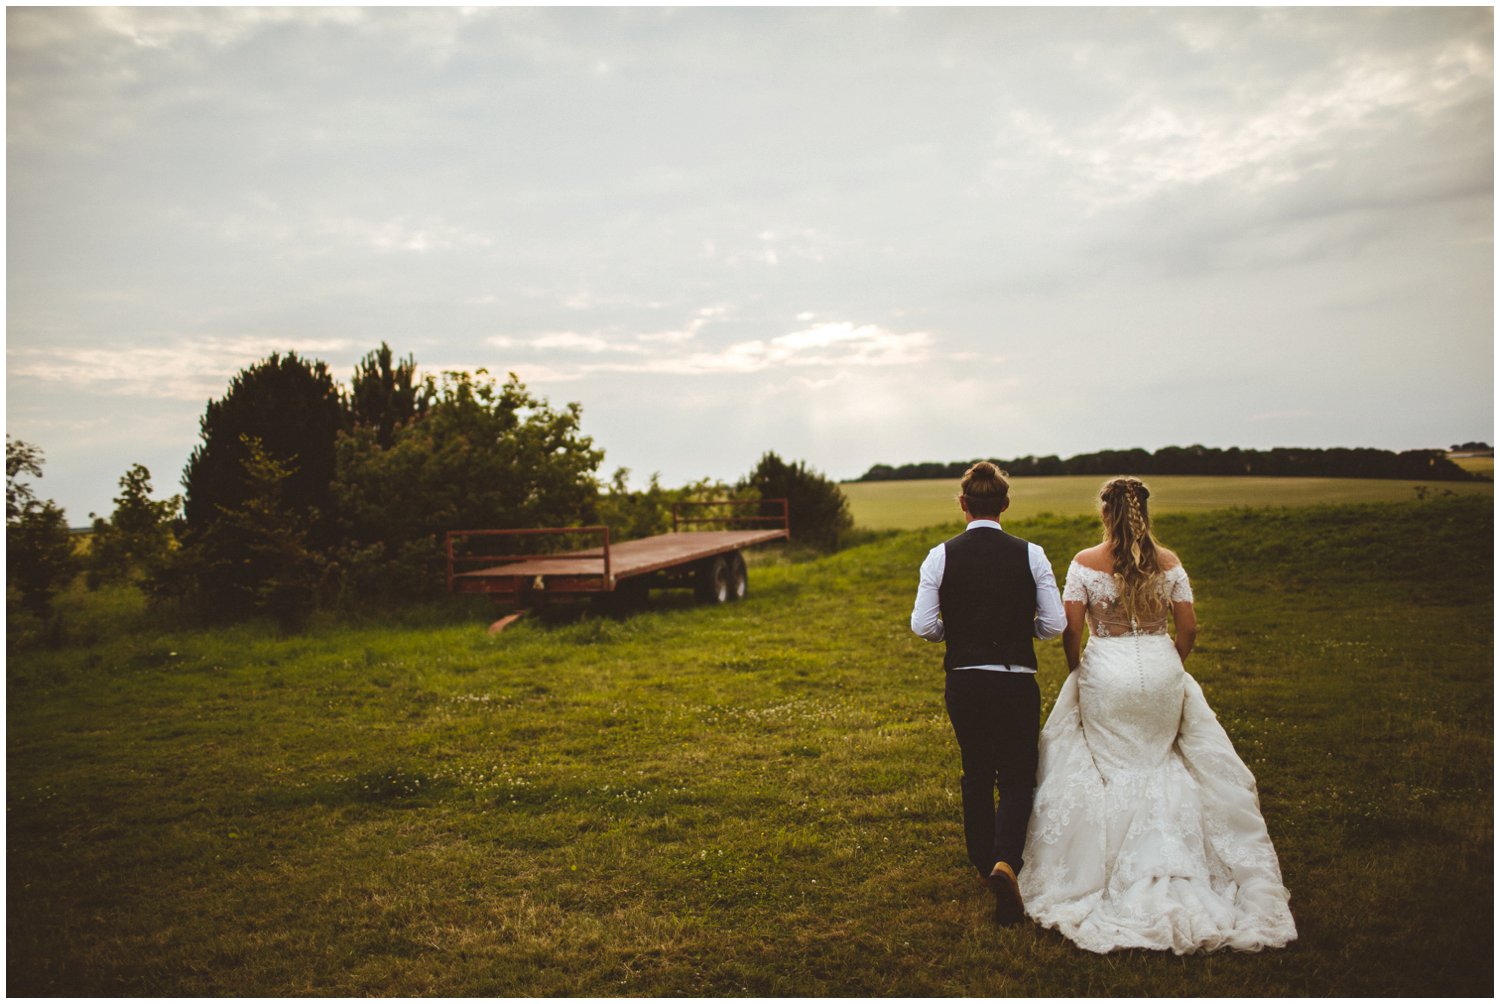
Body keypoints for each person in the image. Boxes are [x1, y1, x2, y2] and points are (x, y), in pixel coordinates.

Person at [1019, 477, 1298, 953]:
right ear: (1145, 511)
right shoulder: (1168, 563)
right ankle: (1176, 847)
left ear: (1105, 513)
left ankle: (1108, 860)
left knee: (1113, 765)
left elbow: (1070, 630)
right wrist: (1171, 663)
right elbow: (1188, 627)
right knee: (1160, 758)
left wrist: (1079, 670)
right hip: (1161, 666)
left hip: (1107, 670)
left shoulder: (1085, 562)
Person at [911, 462, 1066, 925]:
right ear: (1004, 504)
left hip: (966, 678)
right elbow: (1054, 624)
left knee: (976, 770)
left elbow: (923, 625)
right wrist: (1026, 629)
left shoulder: (940, 555)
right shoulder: (1031, 554)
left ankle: (983, 864)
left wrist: (950, 633)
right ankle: (1006, 861)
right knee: (1018, 774)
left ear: (963, 504)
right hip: (1016, 676)